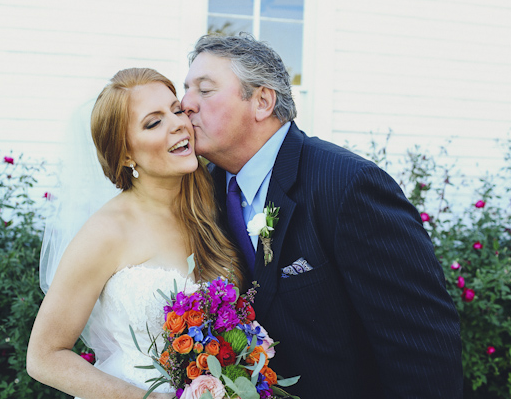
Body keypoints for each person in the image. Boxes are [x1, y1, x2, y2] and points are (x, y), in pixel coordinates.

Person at [182, 33, 463, 398]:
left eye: (204, 90)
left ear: (263, 101)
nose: (185, 103)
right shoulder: (203, 194)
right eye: (186, 89)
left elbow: (421, 348)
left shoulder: (347, 186)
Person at [27, 68, 246, 399]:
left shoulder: (210, 209)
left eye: (176, 110)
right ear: (126, 153)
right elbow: (44, 357)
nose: (178, 124)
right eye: (153, 122)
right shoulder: (107, 231)